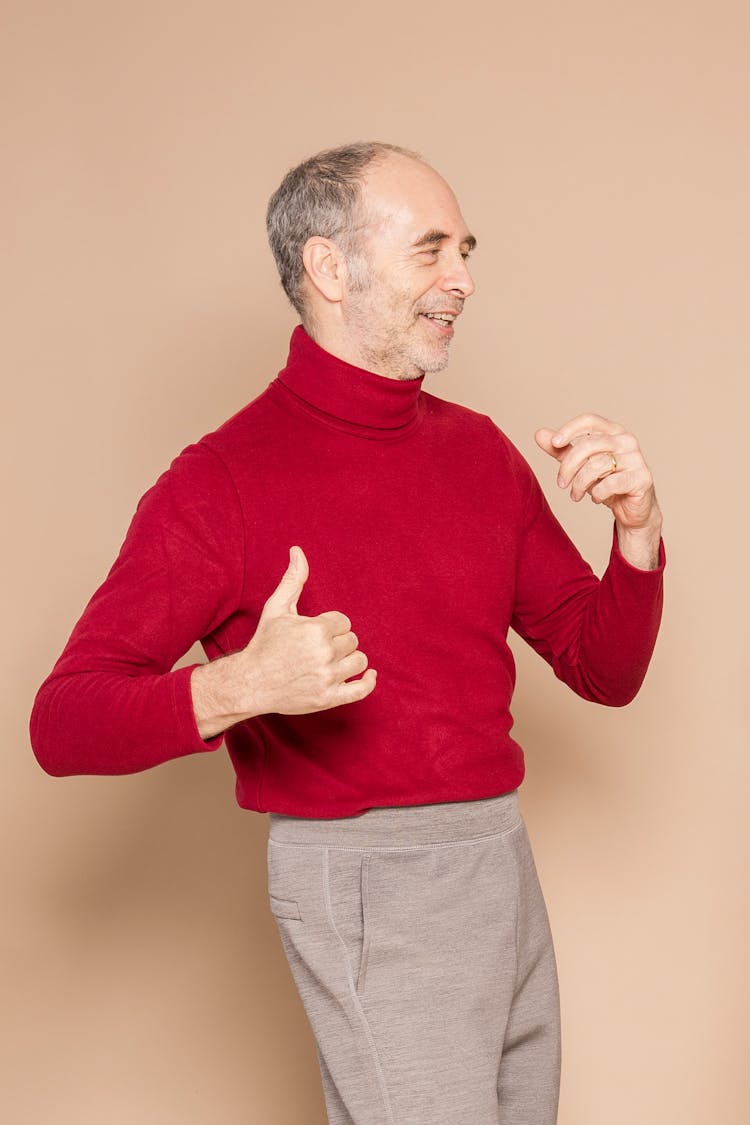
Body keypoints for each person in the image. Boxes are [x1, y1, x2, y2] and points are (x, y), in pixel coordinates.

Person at [30, 141, 665, 1125]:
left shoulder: (481, 455)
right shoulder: (221, 483)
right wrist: (240, 686)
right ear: (331, 268)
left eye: (467, 249)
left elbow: (601, 667)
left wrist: (636, 534)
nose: (463, 279)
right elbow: (61, 722)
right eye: (430, 251)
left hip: (498, 854)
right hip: (367, 877)